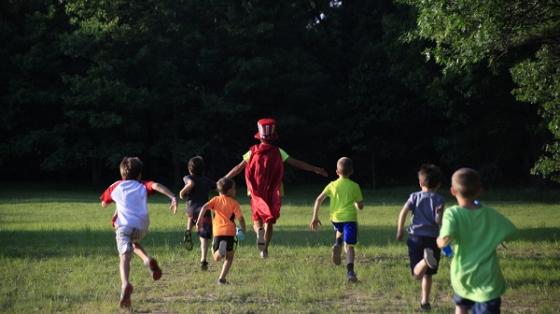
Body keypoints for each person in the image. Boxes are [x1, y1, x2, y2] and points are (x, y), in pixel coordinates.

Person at [225, 118, 328, 258]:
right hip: (274, 191)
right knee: (270, 220)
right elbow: (296, 163)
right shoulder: (279, 152)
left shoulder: (252, 151)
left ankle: (259, 232)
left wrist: (225, 178)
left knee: (257, 219)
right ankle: (264, 250)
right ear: (273, 137)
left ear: (259, 136)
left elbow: (238, 168)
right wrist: (315, 169)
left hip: (255, 191)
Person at [100, 157, 177, 308]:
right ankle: (147, 260)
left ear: (122, 173)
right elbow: (156, 185)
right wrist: (172, 196)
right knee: (132, 243)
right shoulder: (142, 185)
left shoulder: (115, 186)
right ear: (139, 174)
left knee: (124, 257)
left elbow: (103, 203)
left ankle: (125, 284)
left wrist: (116, 202)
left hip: (124, 226)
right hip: (142, 226)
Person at [438, 168, 516, 314]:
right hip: (488, 281)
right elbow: (511, 233)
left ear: (453, 191)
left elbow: (443, 242)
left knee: (461, 307)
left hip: (462, 277)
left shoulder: (453, 213)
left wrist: (439, 241)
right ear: (479, 190)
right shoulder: (490, 214)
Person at [396, 164, 445, 311]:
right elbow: (438, 221)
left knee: (416, 274)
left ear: (420, 182)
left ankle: (424, 261)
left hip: (415, 237)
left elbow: (403, 212)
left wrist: (400, 230)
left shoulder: (414, 196)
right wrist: (438, 213)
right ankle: (425, 301)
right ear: (439, 185)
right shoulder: (439, 199)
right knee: (428, 274)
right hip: (432, 239)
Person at [310, 157, 364, 282]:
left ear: (336, 172)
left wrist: (315, 217)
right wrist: (357, 205)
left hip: (335, 218)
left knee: (340, 229)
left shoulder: (332, 185)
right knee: (350, 246)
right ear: (352, 172)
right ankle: (350, 272)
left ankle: (338, 243)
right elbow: (360, 205)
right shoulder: (355, 186)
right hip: (349, 218)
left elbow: (318, 200)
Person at [197, 177, 246, 284]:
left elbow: (204, 207)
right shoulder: (234, 203)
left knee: (216, 257)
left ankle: (219, 251)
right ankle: (222, 279)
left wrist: (199, 221)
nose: (235, 190)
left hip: (218, 232)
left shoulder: (215, 200)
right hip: (230, 233)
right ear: (229, 191)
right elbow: (241, 218)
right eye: (234, 188)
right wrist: (243, 229)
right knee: (229, 257)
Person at [179, 156, 216, 271]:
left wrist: (181, 193)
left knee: (191, 215)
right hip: (203, 211)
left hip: (190, 209)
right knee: (204, 237)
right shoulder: (206, 180)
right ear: (203, 169)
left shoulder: (187, 177)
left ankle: (188, 230)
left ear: (190, 169)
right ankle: (203, 260)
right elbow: (217, 186)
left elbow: (189, 183)